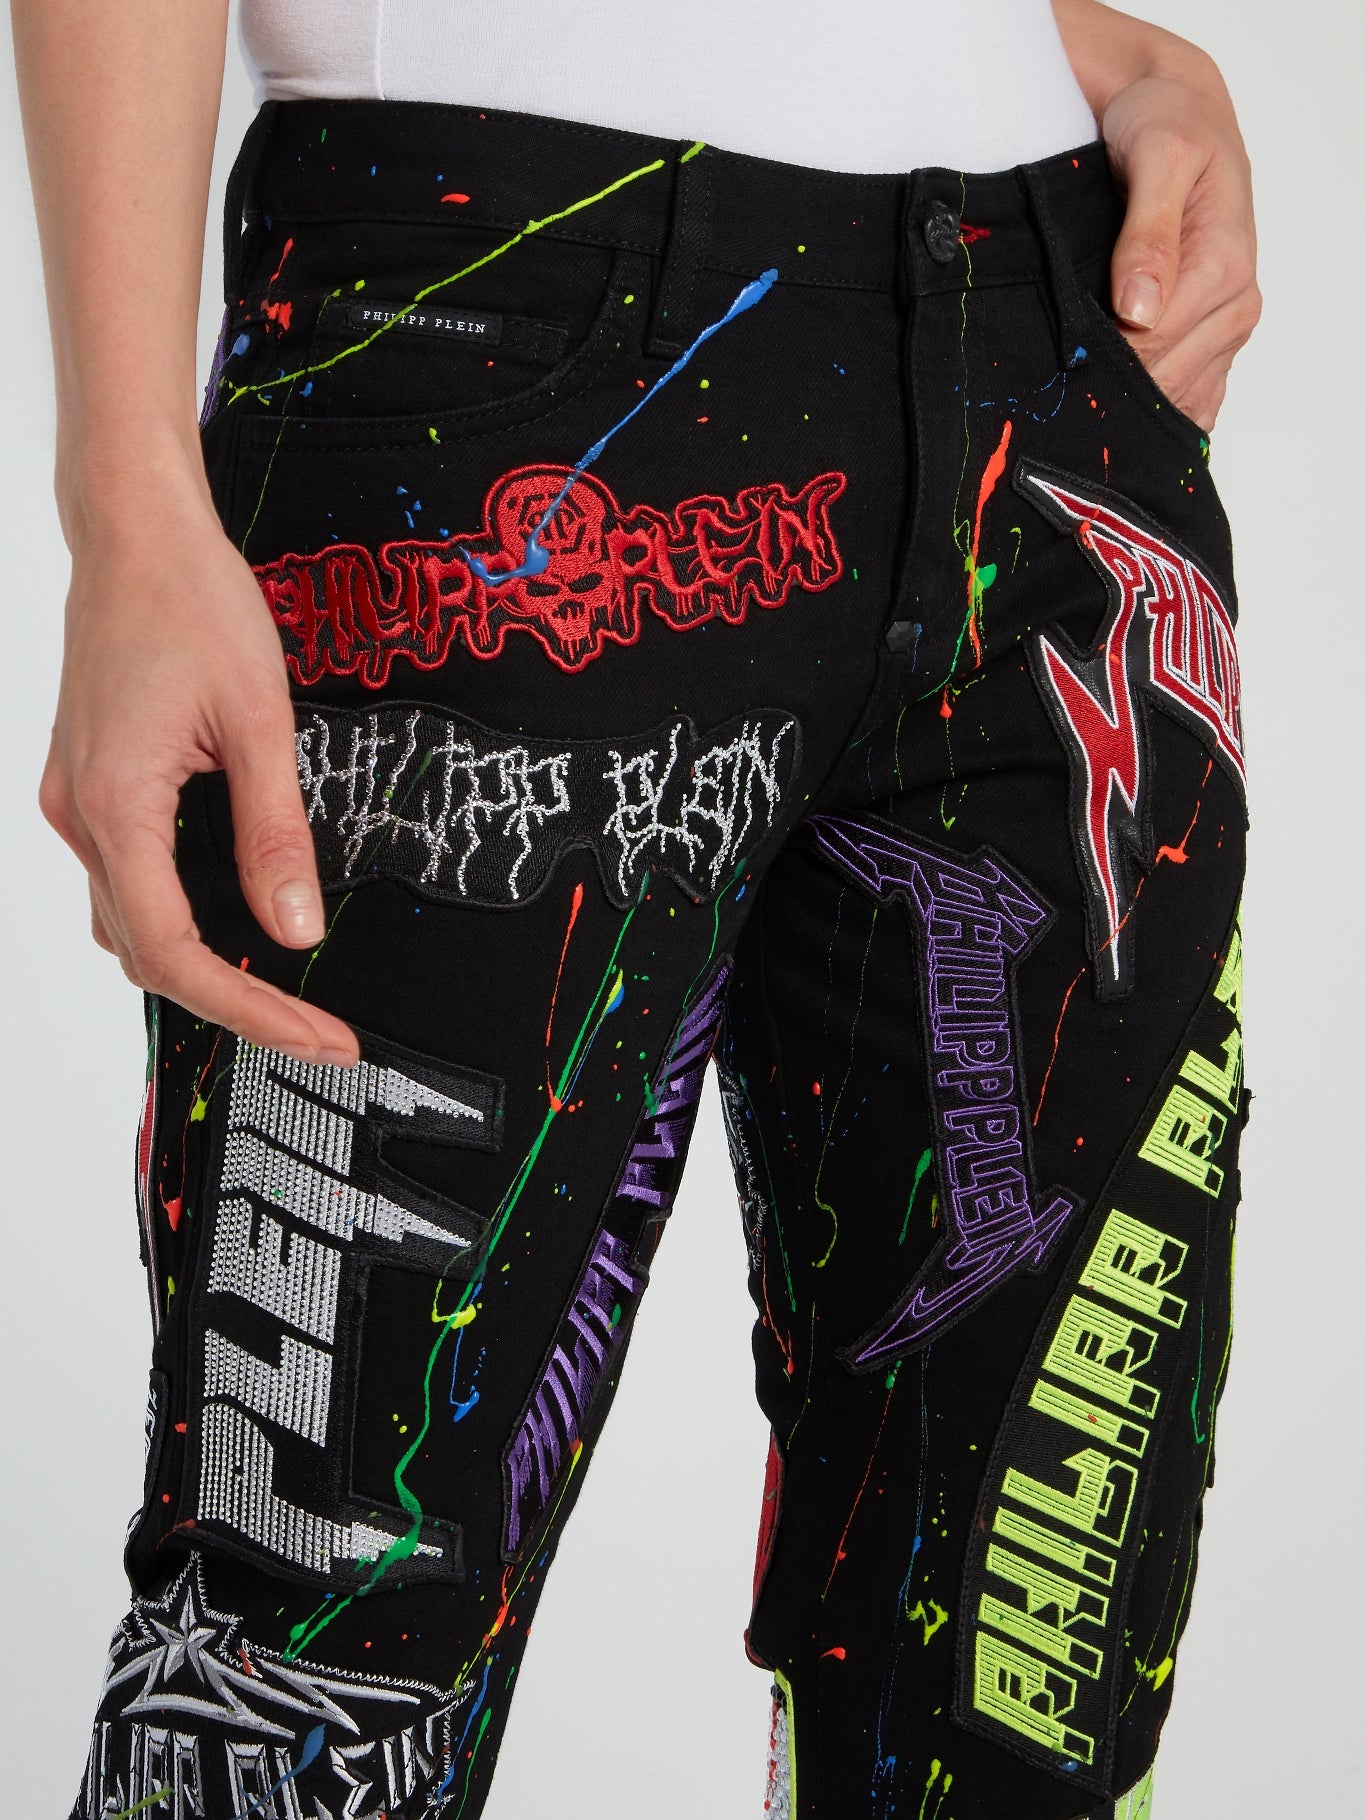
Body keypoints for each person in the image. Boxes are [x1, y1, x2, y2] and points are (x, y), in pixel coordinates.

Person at [12, 2, 1260, 1815]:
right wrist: (124, 494)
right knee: (300, 1695)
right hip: (497, 366)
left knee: (1016, 1690)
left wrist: (1110, 53)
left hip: (1058, 385)